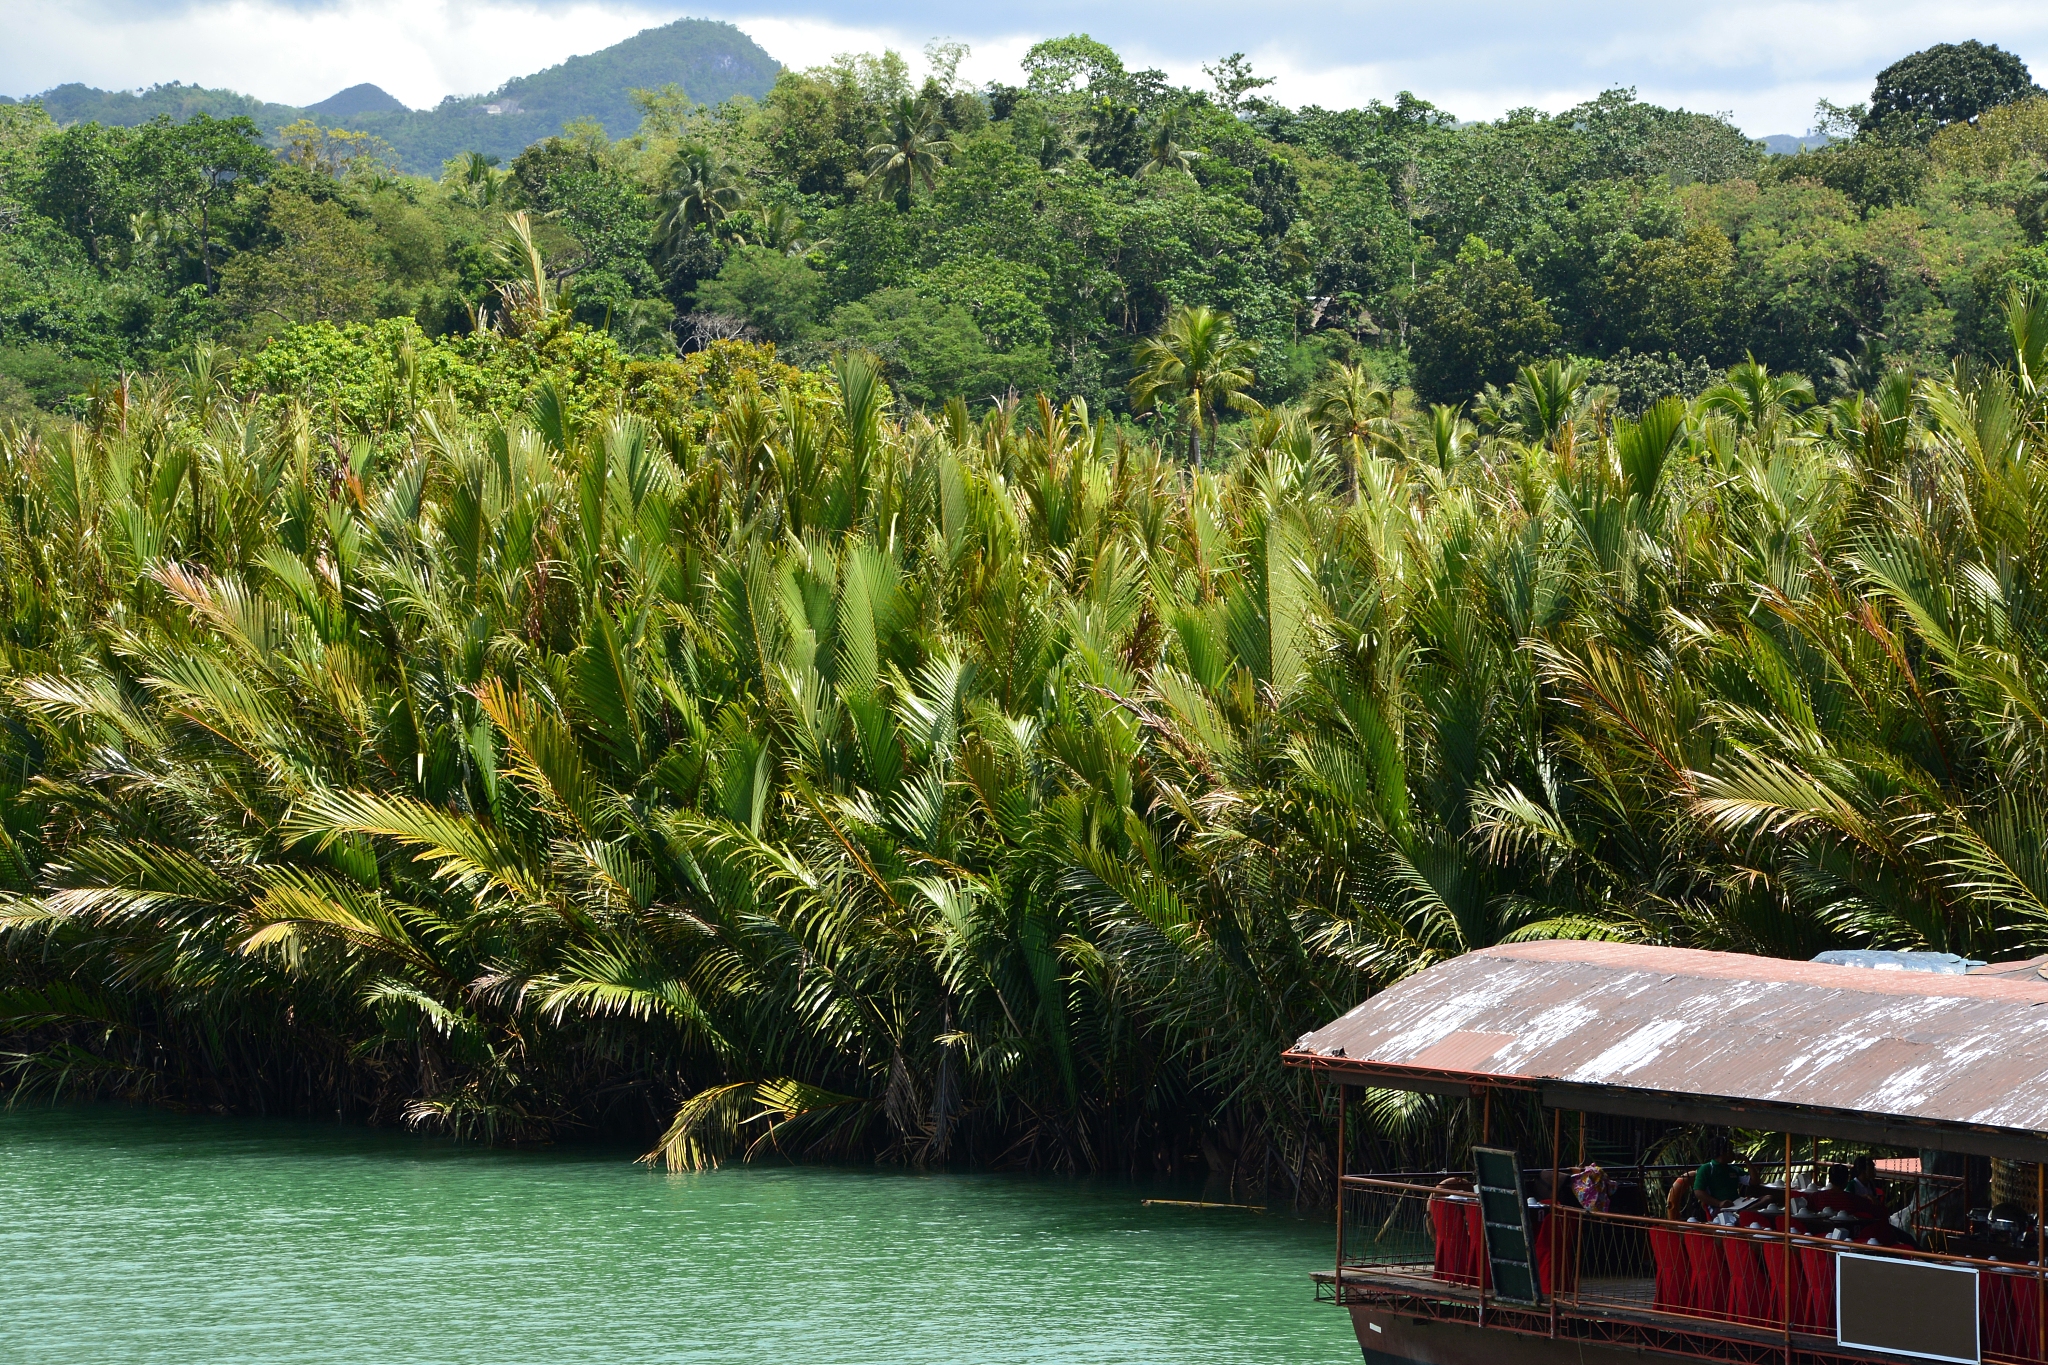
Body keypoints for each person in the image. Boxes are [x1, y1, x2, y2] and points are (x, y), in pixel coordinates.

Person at [1693, 1137, 1749, 1216]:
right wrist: (1719, 1203)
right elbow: (1698, 1192)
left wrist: (1746, 1160)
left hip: (1737, 1204)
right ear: (1723, 1152)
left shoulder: (1733, 1169)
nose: (1733, 1153)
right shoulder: (1707, 1168)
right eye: (1730, 1150)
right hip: (1718, 1208)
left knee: (1767, 1198)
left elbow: (1755, 1181)